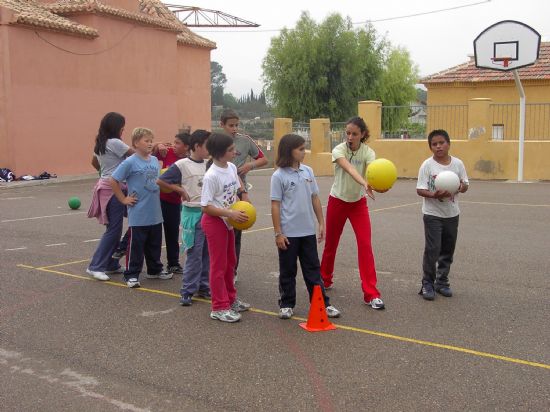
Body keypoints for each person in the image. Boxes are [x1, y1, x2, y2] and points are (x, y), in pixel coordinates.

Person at [271, 134, 341, 320]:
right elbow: (275, 205)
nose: (304, 152)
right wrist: (278, 233)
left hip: (307, 232)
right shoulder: (279, 176)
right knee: (288, 270)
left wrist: (321, 223)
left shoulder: (308, 171)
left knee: (313, 270)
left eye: (304, 148)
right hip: (288, 234)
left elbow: (315, 198)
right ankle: (286, 304)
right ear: (289, 151)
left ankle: (322, 304)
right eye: (300, 149)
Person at [320, 116, 385, 310]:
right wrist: (364, 182)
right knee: (331, 243)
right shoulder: (338, 149)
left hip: (358, 204)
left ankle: (371, 294)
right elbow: (348, 168)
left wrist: (378, 184)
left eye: (354, 134)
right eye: (347, 132)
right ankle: (325, 279)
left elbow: (374, 171)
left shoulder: (368, 152)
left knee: (365, 245)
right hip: (337, 200)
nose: (350, 136)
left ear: (362, 134)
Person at [110, 127, 173, 288]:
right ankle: (131, 274)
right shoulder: (130, 161)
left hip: (155, 211)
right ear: (136, 143)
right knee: (136, 245)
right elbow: (113, 180)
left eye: (151, 141)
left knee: (154, 244)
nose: (150, 144)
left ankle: (154, 270)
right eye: (147, 141)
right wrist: (123, 199)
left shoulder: (153, 160)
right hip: (138, 212)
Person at [200, 133, 250, 323]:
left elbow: (237, 187)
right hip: (215, 222)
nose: (235, 152)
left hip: (228, 221)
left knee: (230, 261)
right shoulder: (211, 176)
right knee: (218, 265)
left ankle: (230, 299)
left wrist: (243, 199)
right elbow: (205, 207)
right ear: (220, 153)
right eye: (230, 150)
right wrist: (230, 214)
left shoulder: (230, 167)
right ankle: (219, 307)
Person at [157, 130, 211, 306]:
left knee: (207, 255)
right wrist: (179, 189)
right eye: (207, 145)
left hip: (209, 214)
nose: (210, 149)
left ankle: (204, 287)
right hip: (192, 215)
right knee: (194, 254)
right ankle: (187, 290)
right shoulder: (182, 164)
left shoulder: (209, 163)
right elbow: (161, 181)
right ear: (197, 146)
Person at [416, 129, 469, 300]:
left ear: (448, 144)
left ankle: (442, 282)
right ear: (430, 147)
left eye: (441, 143)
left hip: (452, 214)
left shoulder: (458, 164)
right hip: (432, 214)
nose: (438, 146)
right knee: (433, 249)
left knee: (448, 249)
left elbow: (465, 184)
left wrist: (460, 187)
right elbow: (420, 189)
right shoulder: (427, 165)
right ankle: (427, 283)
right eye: (434, 144)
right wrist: (434, 195)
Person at [219, 109, 268, 282]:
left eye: (236, 125)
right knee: (219, 233)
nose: (234, 128)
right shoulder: (215, 142)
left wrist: (250, 166)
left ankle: (233, 270)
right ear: (222, 125)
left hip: (239, 193)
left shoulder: (245, 141)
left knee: (236, 233)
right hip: (219, 194)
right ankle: (216, 270)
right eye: (230, 125)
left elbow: (263, 159)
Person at [86, 112, 134, 281]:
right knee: (113, 229)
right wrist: (153, 146)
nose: (123, 129)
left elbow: (94, 162)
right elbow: (135, 155)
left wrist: (105, 171)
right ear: (116, 127)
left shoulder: (101, 142)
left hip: (106, 185)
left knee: (115, 227)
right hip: (113, 188)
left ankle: (111, 264)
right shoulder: (115, 142)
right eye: (122, 126)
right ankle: (96, 266)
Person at [156, 131, 190, 275]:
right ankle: (155, 265)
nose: (174, 146)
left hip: (174, 203)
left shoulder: (189, 162)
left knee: (172, 233)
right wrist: (158, 145)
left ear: (187, 147)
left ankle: (173, 263)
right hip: (158, 200)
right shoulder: (167, 152)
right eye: (174, 142)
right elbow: (147, 152)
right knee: (154, 234)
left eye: (178, 143)